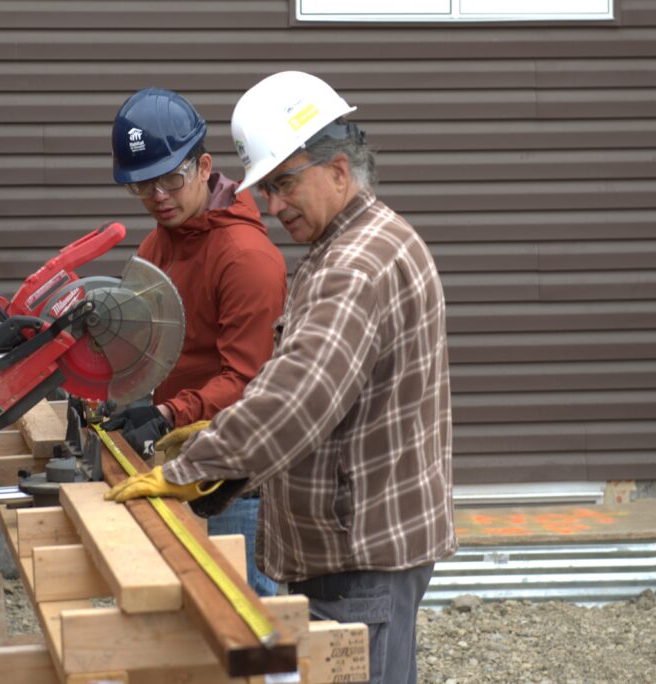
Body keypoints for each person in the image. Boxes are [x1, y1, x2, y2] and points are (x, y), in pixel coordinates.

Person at [105, 71, 457, 684]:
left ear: (339, 170)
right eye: (266, 188)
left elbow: (297, 399)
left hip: (357, 553)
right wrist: (209, 435)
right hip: (366, 541)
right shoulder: (366, 242)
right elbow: (296, 381)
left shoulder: (354, 267)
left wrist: (187, 469)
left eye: (285, 183)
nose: (273, 206)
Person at [102, 87, 287, 597]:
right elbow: (141, 343)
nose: (158, 196)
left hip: (237, 480)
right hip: (181, 459)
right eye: (142, 184)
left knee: (242, 612)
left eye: (171, 178)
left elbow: (248, 382)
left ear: (204, 167)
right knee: (185, 606)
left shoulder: (246, 258)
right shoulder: (157, 245)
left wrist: (166, 413)